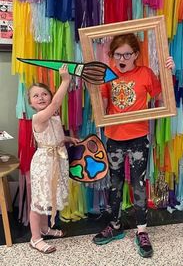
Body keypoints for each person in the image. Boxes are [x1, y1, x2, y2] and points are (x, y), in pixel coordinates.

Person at [92, 33, 175, 258]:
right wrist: (93, 88)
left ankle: (141, 231)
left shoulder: (146, 73)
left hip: (139, 136)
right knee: (115, 184)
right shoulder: (107, 75)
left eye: (127, 54)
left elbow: (163, 100)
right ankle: (115, 226)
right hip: (114, 137)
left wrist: (168, 74)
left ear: (136, 55)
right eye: (118, 54)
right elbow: (104, 105)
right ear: (112, 56)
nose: (122, 58)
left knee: (138, 184)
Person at [28, 64, 80, 254]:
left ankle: (44, 228)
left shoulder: (53, 117)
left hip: (56, 160)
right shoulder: (39, 117)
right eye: (36, 96)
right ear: (31, 104)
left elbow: (53, 135)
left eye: (44, 94)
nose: (41, 97)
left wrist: (66, 139)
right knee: (39, 201)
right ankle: (35, 238)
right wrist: (66, 80)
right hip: (44, 163)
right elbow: (56, 104)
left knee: (48, 198)